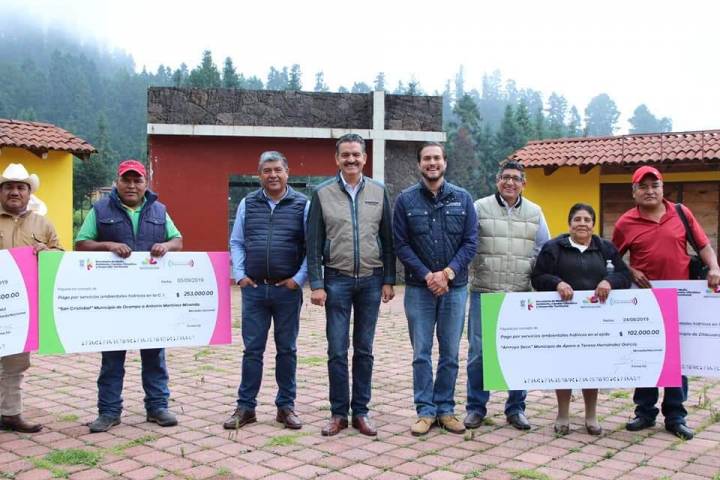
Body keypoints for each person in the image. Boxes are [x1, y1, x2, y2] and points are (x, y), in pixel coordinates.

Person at [612, 165, 720, 440]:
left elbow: (703, 246)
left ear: (662, 188)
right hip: (645, 299)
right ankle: (644, 412)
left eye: (655, 185)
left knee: (676, 358)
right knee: (645, 353)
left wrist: (714, 267)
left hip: (681, 297)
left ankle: (675, 415)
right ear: (634, 192)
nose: (650, 191)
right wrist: (631, 271)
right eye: (643, 186)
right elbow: (612, 259)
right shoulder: (625, 223)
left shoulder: (681, 213)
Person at [76, 159, 183, 433]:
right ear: (118, 182)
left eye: (137, 180)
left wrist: (166, 246)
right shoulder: (100, 209)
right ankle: (109, 411)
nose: (132, 185)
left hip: (151, 297)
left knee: (154, 355)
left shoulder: (159, 210)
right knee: (112, 358)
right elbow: (82, 244)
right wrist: (108, 245)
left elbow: (178, 240)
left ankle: (157, 407)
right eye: (127, 180)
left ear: (146, 183)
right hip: (113, 299)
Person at [306, 133, 395, 436]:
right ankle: (338, 413)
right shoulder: (322, 193)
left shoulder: (379, 191)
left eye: (356, 154)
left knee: (364, 349)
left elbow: (388, 239)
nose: (351, 159)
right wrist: (316, 283)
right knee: (336, 349)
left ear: (365, 158)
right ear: (337, 159)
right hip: (336, 280)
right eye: (345, 155)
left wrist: (389, 279)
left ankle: (361, 412)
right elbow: (313, 242)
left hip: (371, 280)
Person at [393, 142, 477, 436]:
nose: (432, 163)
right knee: (421, 353)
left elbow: (470, 242)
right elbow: (401, 244)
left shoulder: (463, 198)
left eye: (437, 158)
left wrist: (448, 273)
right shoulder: (405, 200)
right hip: (419, 288)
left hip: (455, 288)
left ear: (445, 162)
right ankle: (425, 411)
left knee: (451, 353)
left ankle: (446, 409)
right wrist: (428, 275)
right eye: (427, 159)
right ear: (419, 164)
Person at [223, 151, 308, 430]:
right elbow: (236, 241)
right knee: (252, 350)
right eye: (267, 170)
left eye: (277, 170)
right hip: (255, 290)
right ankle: (246, 407)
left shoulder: (302, 204)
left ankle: (286, 407)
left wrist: (299, 278)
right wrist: (240, 275)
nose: (273, 175)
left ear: (287, 172)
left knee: (287, 350)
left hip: (287, 291)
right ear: (259, 174)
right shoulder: (248, 203)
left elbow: (312, 246)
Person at [465, 160, 550, 431]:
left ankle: (516, 409)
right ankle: (476, 408)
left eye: (515, 178)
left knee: (519, 353)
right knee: (479, 353)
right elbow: (468, 243)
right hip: (484, 290)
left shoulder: (535, 212)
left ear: (524, 183)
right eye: (505, 177)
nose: (510, 182)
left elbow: (544, 249)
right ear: (497, 181)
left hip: (519, 294)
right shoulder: (479, 208)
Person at [531, 203, 631, 435]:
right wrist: (557, 283)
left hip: (596, 321)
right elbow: (538, 277)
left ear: (593, 224)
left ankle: (591, 416)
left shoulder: (605, 248)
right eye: (577, 219)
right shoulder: (553, 248)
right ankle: (563, 415)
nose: (582, 224)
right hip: (562, 319)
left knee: (591, 366)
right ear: (570, 223)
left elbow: (624, 275)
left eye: (587, 220)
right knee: (563, 366)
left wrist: (609, 282)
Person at [0, 163, 62, 433]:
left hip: (21, 305)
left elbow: (60, 255)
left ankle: (10, 414)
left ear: (29, 193)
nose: (15, 192)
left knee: (15, 362)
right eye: (9, 187)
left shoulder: (42, 222)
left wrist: (47, 251)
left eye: (20, 187)